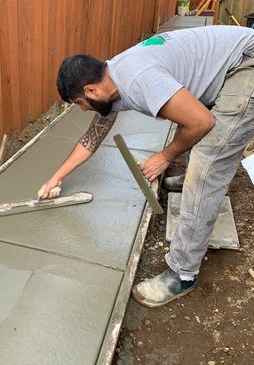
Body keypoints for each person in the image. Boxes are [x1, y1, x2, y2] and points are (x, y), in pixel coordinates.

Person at [38, 25, 254, 307]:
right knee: (189, 120)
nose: (82, 109)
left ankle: (183, 273)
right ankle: (188, 180)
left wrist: (165, 156)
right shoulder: (111, 78)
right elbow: (91, 140)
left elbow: (202, 122)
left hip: (245, 67)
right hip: (233, 62)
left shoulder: (138, 80)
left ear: (91, 89)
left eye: (80, 103)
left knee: (207, 166)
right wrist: (55, 178)